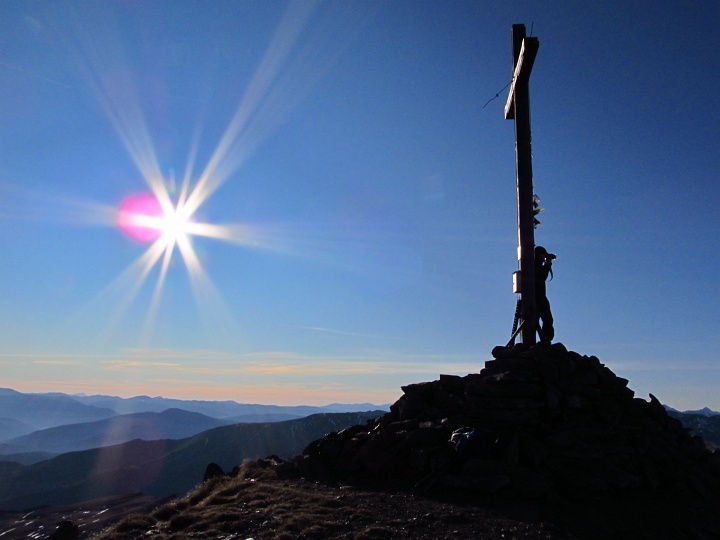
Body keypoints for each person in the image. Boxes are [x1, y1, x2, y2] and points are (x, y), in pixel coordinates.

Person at [534, 246, 555, 344]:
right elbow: (542, 276)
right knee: (542, 319)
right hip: (537, 297)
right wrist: (547, 265)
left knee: (547, 320)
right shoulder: (534, 266)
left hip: (540, 297)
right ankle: (545, 340)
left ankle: (545, 339)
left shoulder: (536, 265)